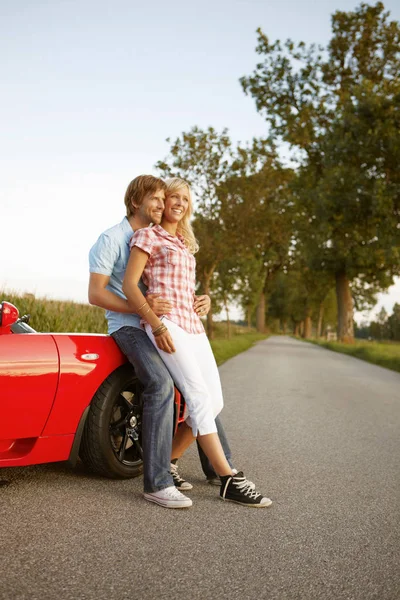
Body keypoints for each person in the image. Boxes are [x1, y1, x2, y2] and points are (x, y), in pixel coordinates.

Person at [123, 177, 272, 507]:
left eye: (185, 198)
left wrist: (203, 300)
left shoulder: (187, 244)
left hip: (193, 326)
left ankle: (169, 462)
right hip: (167, 326)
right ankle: (228, 477)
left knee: (214, 402)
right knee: (198, 397)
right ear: (162, 203)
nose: (178, 202)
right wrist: (155, 322)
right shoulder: (147, 236)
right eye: (172, 196)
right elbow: (131, 285)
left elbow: (182, 289)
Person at [88, 174, 234, 509]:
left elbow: (168, 283)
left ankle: (214, 466)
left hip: (158, 321)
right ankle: (157, 481)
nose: (162, 204)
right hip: (129, 326)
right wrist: (143, 307)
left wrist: (199, 299)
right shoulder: (112, 238)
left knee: (201, 389)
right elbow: (96, 294)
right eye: (156, 199)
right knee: (161, 382)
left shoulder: (163, 237)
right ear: (136, 201)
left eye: (163, 198)